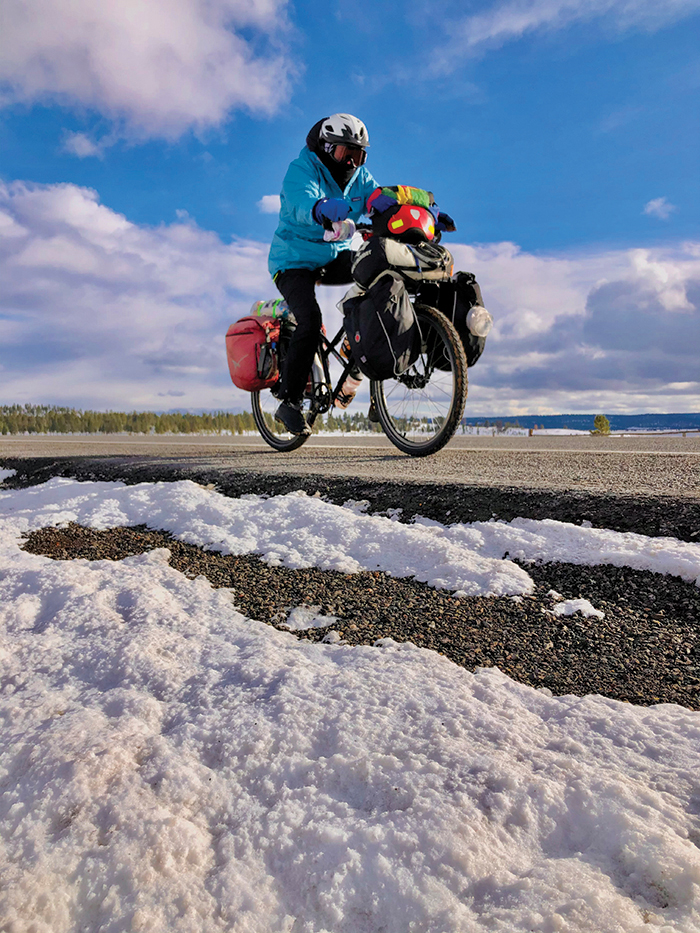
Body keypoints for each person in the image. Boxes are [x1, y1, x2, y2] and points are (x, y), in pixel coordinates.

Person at [267, 113, 378, 435]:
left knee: (377, 271)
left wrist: (405, 206)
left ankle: (354, 345)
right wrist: (319, 208)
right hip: (292, 261)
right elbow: (301, 201)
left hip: (331, 256)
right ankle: (288, 402)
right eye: (347, 153)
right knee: (310, 321)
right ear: (328, 148)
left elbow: (375, 198)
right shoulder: (302, 168)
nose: (353, 162)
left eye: (360, 155)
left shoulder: (360, 176)